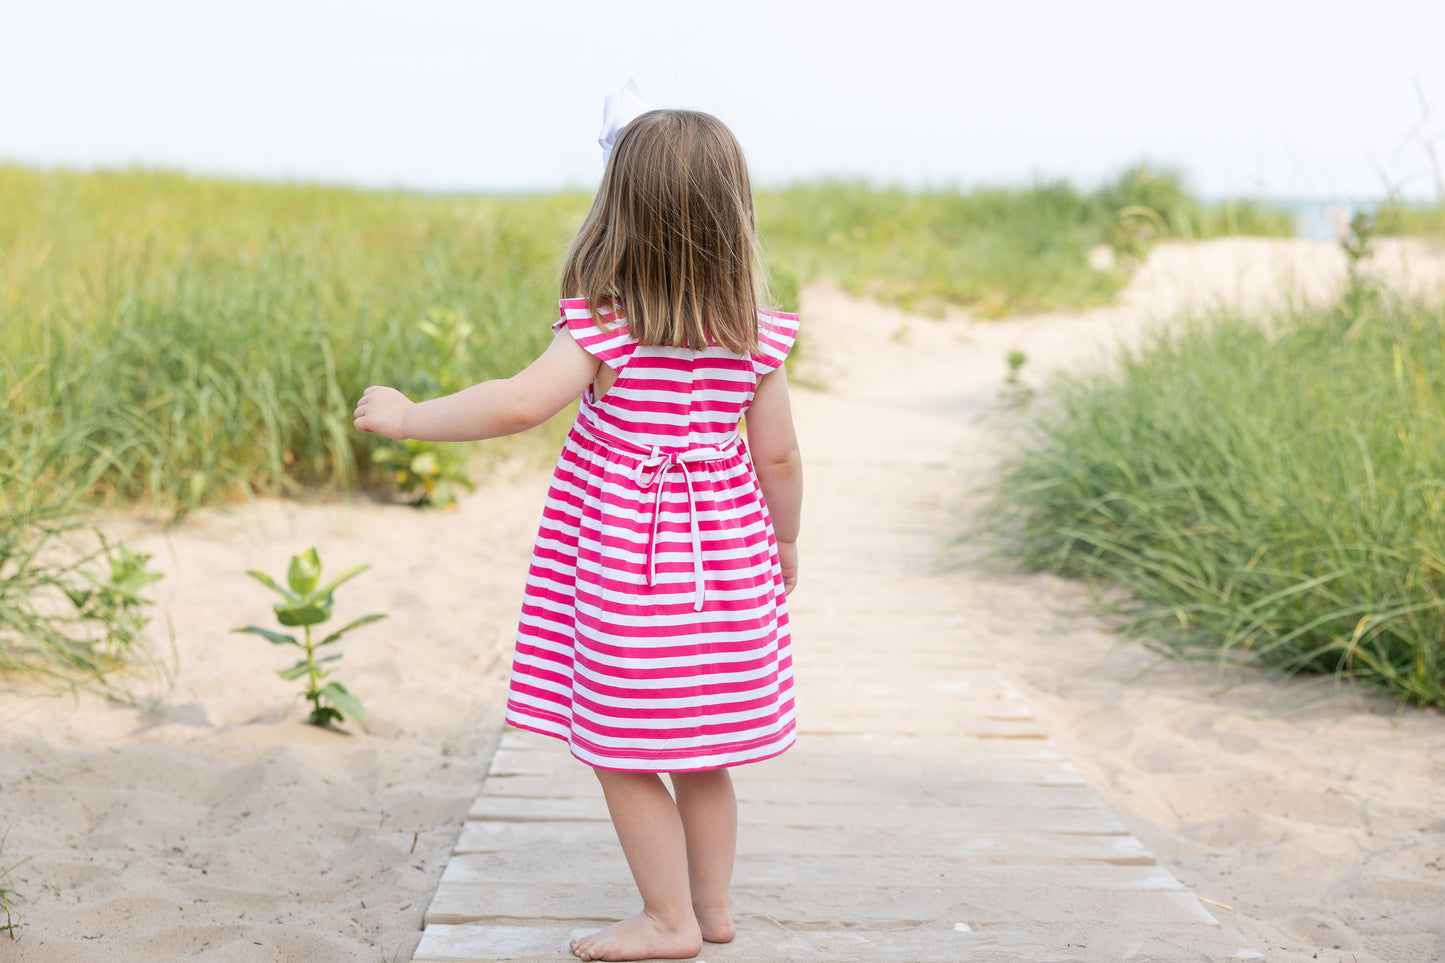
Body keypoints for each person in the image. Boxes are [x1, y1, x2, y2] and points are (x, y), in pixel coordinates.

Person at [352, 98, 803, 963]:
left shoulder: (608, 324)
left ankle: (667, 920)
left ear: (619, 212)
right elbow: (777, 458)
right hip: (726, 566)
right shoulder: (755, 337)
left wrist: (412, 418)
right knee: (703, 745)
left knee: (624, 743)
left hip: (634, 570)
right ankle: (709, 906)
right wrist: (783, 543)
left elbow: (521, 401)